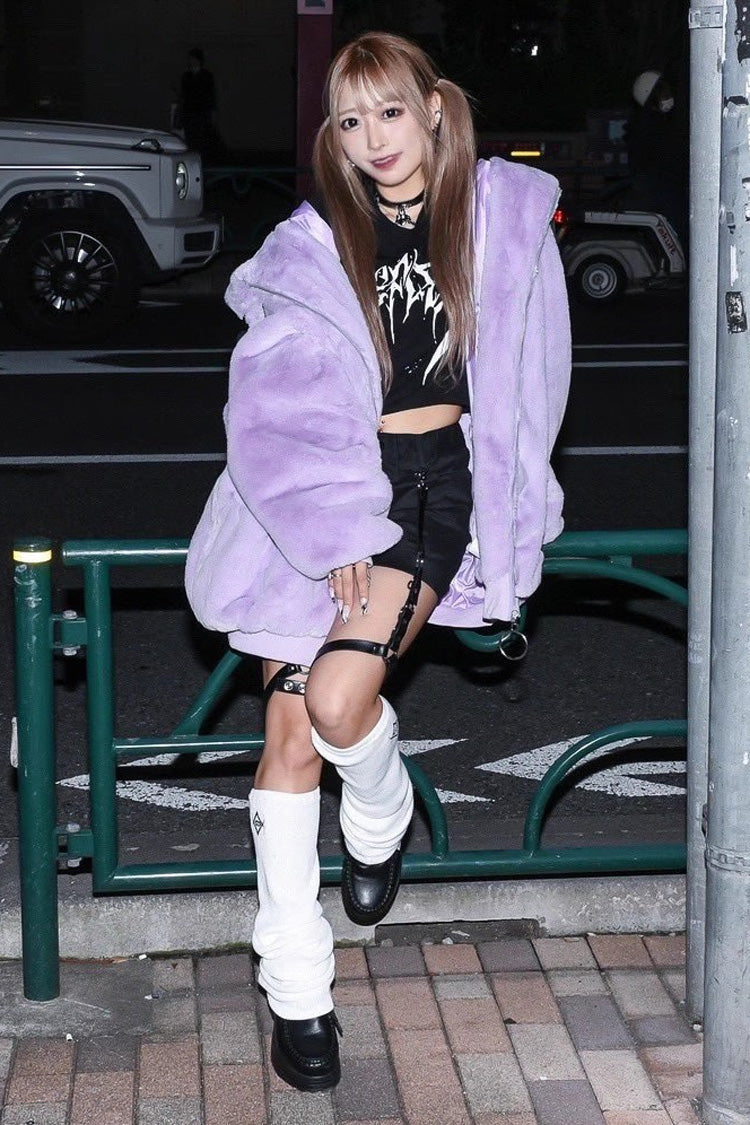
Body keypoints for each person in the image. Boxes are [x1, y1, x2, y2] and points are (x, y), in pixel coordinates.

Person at [185, 31, 571, 1093]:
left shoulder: (500, 221)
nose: (373, 139)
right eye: (350, 121)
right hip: (315, 495)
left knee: (337, 701)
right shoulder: (311, 247)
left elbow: (537, 382)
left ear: (434, 109)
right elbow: (271, 407)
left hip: (432, 488)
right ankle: (298, 994)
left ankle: (382, 809)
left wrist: (519, 504)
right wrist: (333, 526)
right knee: (289, 730)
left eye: (390, 112)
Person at [626, 69, 689, 250]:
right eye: (663, 93)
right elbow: (669, 160)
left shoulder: (659, 122)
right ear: (651, 97)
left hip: (666, 187)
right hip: (660, 191)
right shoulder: (649, 126)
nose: (668, 96)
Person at [178, 47, 218, 159]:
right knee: (191, 139)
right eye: (190, 59)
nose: (191, 61)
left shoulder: (206, 76)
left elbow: (210, 95)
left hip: (201, 113)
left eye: (193, 59)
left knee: (202, 138)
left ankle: (203, 159)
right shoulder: (187, 76)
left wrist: (211, 113)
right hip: (189, 113)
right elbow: (184, 95)